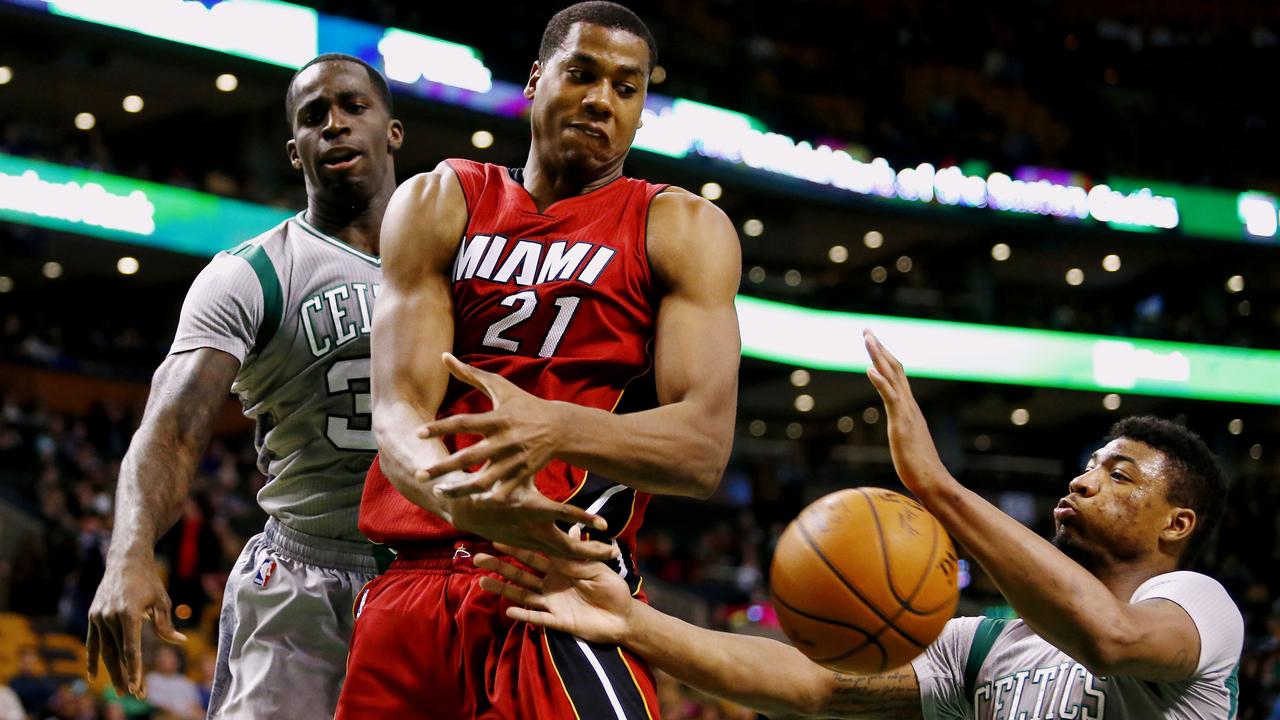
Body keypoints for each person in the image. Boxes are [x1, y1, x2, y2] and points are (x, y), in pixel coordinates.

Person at [476, 331, 1244, 719]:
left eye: (1120, 475)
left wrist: (936, 488)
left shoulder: (1199, 606)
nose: (1084, 478)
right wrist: (633, 624)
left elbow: (1109, 639)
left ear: (1178, 523)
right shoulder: (986, 645)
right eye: (1089, 464)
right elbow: (813, 682)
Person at [334, 2, 742, 718]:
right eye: (581, 74)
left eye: (626, 87)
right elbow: (398, 409)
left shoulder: (679, 228)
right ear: (534, 80)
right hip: (410, 589)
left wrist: (554, 427)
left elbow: (701, 449)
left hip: (558, 588)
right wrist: (449, 495)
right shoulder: (440, 199)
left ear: (643, 110)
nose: (600, 100)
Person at [85, 53, 404, 718]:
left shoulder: (459, 258)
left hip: (429, 572)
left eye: (352, 107)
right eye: (314, 117)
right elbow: (171, 429)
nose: (335, 126)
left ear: (392, 130)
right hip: (305, 576)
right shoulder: (252, 273)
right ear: (294, 150)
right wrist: (130, 551)